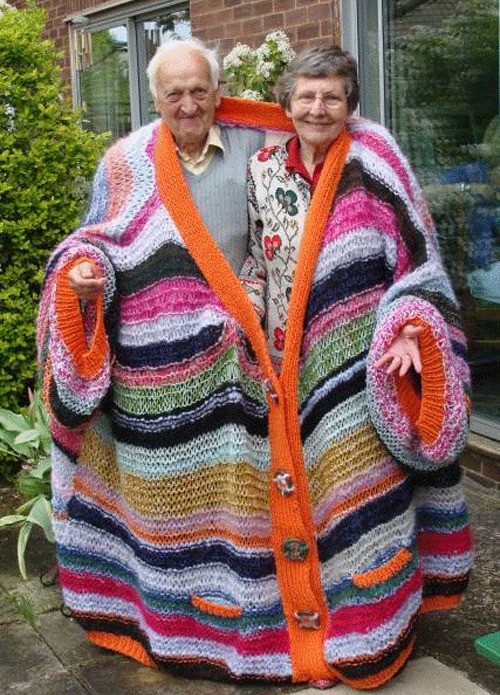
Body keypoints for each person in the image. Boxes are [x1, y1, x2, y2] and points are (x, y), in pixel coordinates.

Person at [37, 39, 471, 692]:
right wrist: (83, 274)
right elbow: (100, 236)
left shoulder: (300, 149)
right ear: (154, 99)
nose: (188, 103)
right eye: (173, 92)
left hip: (330, 360)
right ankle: (226, 627)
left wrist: (411, 320)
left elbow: (416, 255)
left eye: (200, 90)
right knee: (226, 512)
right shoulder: (133, 163)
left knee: (342, 489)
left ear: (220, 93)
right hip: (197, 372)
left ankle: (357, 625)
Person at [238, 44, 473, 688]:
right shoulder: (262, 170)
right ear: (286, 104)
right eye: (306, 96)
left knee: (365, 499)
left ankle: (376, 627)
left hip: (367, 364)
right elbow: (258, 259)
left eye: (332, 97)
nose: (318, 108)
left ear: (350, 104)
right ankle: (319, 622)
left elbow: (419, 258)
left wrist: (411, 325)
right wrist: (247, 312)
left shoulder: (374, 164)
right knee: (308, 495)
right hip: (288, 365)